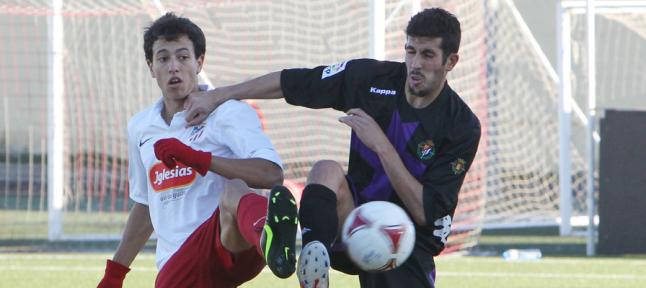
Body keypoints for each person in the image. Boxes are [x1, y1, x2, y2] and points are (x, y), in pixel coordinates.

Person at [183, 7, 481, 288]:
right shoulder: (369, 79)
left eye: (428, 55)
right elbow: (291, 83)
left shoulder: (461, 126)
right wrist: (219, 96)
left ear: (450, 62)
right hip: (354, 221)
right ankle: (315, 258)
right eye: (411, 51)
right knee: (325, 170)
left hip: (407, 241)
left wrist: (381, 146)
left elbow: (424, 211)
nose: (415, 64)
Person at [97, 13, 298, 288]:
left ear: (199, 62)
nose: (173, 67)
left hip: (230, 240)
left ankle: (270, 242)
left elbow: (271, 174)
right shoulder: (141, 127)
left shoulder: (228, 113)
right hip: (180, 264)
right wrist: (115, 273)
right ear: (151, 66)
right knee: (233, 191)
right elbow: (145, 205)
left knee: (235, 190)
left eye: (182, 57)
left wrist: (198, 159)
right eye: (163, 58)